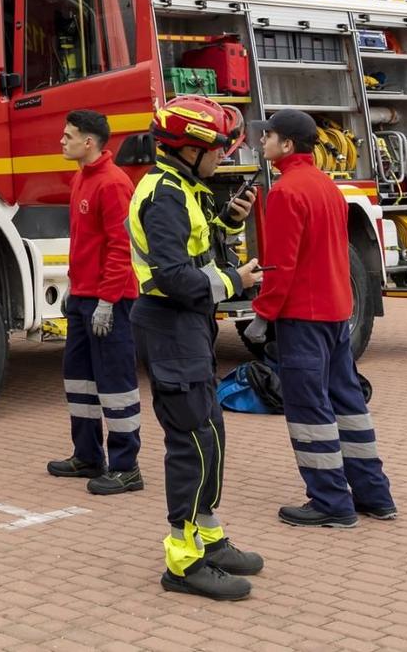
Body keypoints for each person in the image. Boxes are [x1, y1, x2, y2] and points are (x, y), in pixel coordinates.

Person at [128, 97, 266, 602]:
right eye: (219, 147)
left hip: (189, 328)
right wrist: (235, 280)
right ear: (189, 148)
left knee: (211, 434)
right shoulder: (164, 195)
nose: (225, 155)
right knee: (191, 443)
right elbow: (173, 277)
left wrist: (230, 220)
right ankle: (183, 564)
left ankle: (209, 540)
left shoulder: (186, 187)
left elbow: (198, 250)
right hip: (170, 325)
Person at [247, 110, 398, 528]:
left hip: (302, 318)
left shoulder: (285, 192)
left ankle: (331, 503)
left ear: (288, 145)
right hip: (335, 312)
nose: (263, 142)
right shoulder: (327, 187)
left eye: (270, 136)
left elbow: (280, 265)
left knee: (308, 408)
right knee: (348, 403)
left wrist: (262, 314)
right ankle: (374, 495)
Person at [45, 109, 143, 495]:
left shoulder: (113, 184)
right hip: (85, 297)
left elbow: (122, 248)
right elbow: (85, 243)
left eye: (69, 136)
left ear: (89, 142)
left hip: (110, 302)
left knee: (116, 384)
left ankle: (127, 467)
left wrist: (107, 299)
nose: (62, 141)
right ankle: (87, 455)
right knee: (80, 381)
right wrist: (76, 286)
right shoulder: (82, 180)